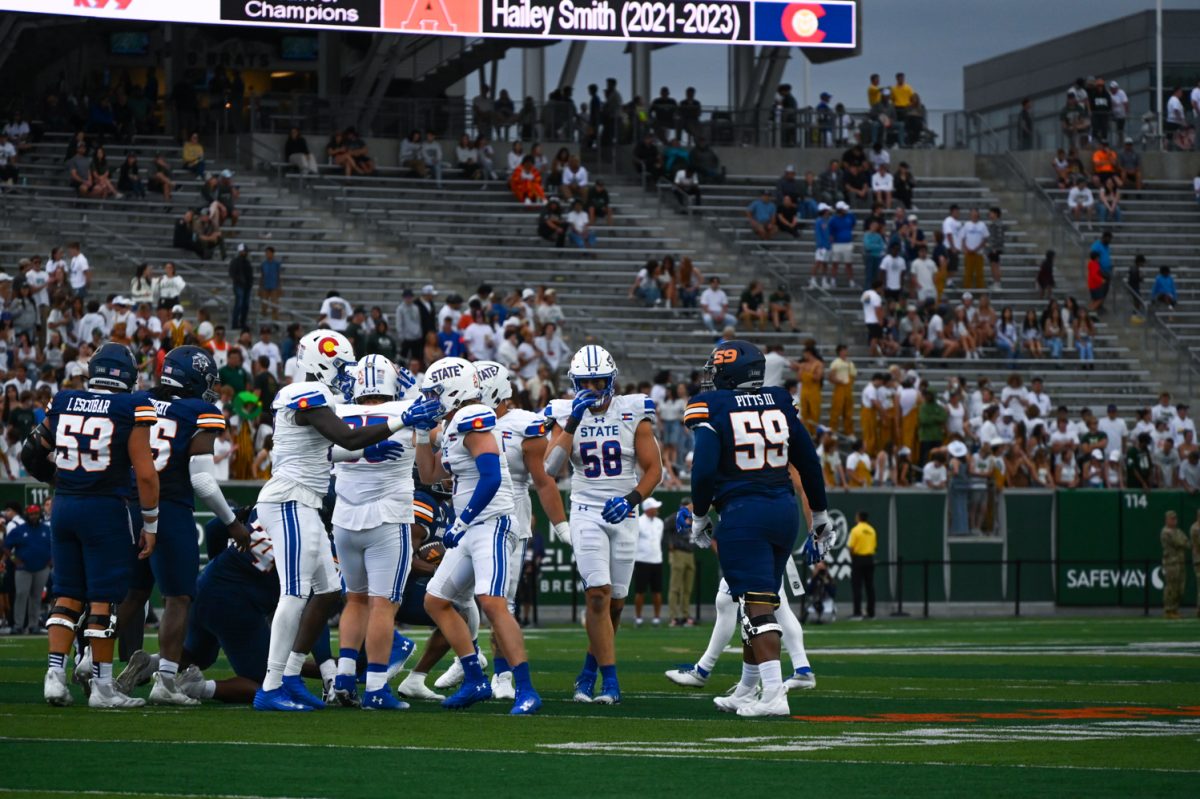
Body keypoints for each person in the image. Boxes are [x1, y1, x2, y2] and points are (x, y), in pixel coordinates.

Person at [252, 330, 433, 712]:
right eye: (341, 367)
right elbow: (347, 440)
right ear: (322, 363)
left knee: (331, 591)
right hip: (290, 500)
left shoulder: (323, 400)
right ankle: (270, 686)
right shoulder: (311, 396)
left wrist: (373, 440)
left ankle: (291, 675)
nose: (347, 376)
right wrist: (400, 419)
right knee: (295, 593)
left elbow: (332, 449)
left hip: (311, 504)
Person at [676, 340, 830, 717]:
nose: (712, 377)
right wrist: (821, 514)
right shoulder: (778, 398)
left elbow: (705, 468)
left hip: (744, 513)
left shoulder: (712, 405)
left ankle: (774, 695)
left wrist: (699, 514)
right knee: (755, 600)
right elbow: (808, 459)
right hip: (783, 510)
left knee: (758, 605)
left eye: (718, 369)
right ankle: (748, 687)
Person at [111, 345, 250, 705]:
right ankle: (166, 681)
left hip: (128, 506)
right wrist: (233, 523)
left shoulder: (139, 400)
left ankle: (91, 666)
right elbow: (202, 480)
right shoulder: (199, 411)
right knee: (178, 597)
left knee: (132, 594)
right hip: (169, 506)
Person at [414, 357, 541, 714]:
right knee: (435, 600)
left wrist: (461, 521)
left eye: (436, 393)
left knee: (492, 603)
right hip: (471, 528)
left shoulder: (476, 418)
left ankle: (526, 689)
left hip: (493, 523)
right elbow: (428, 474)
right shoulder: (455, 423)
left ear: (454, 390)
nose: (432, 399)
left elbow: (492, 477)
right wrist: (423, 434)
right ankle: (474, 678)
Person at [41, 343, 161, 709]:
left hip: (64, 505)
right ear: (125, 375)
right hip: (103, 508)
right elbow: (145, 474)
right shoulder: (131, 406)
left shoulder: (63, 400)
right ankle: (104, 686)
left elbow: (37, 447)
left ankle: (54, 675)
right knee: (102, 599)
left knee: (67, 593)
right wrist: (151, 524)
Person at [544, 345, 662, 705]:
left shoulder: (632, 410)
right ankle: (611, 682)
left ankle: (589, 670)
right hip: (585, 510)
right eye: (586, 382)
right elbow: (550, 469)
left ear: (611, 381)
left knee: (616, 605)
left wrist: (630, 500)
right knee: (597, 595)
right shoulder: (565, 412)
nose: (593, 388)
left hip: (623, 511)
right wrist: (571, 424)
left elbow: (654, 469)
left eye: (599, 381)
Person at [323, 355, 420, 710]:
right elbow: (437, 407)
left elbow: (325, 452)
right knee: (383, 604)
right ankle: (377, 687)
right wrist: (413, 385)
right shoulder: (410, 409)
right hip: (388, 518)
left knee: (355, 600)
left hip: (344, 520)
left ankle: (345, 678)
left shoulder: (337, 412)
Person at [470, 361, 566, 698]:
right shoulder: (464, 420)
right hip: (469, 518)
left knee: (502, 601)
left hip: (511, 519)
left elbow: (543, 481)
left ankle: (502, 674)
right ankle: (469, 658)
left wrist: (561, 526)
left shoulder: (524, 425)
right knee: (450, 596)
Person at [5, 503, 52, 635]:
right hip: (23, 569)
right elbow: (6, 547)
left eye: (36, 513)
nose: (34, 516)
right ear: (27, 515)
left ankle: (33, 625)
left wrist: (51, 561)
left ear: (39, 514)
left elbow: (55, 544)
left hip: (42, 568)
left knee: (36, 597)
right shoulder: (20, 530)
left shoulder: (46, 529)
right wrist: (14, 559)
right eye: (31, 514)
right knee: (21, 595)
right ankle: (18, 625)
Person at [632, 497, 665, 627]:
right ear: (648, 509)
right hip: (641, 561)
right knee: (640, 591)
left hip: (657, 561)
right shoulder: (638, 522)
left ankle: (656, 618)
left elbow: (659, 539)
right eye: (654, 507)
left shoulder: (660, 522)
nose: (657, 509)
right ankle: (638, 618)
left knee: (657, 591)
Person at [665, 497, 697, 627]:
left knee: (687, 588)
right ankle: (673, 616)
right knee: (675, 587)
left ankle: (685, 615)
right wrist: (670, 544)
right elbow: (665, 531)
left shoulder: (694, 519)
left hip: (690, 553)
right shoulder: (674, 518)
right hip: (678, 552)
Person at [847, 510, 876, 620]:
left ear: (859, 517)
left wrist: (853, 557)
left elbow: (850, 547)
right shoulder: (872, 530)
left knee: (857, 587)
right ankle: (871, 612)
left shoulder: (856, 530)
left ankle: (857, 612)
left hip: (858, 559)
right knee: (870, 587)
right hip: (869, 559)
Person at [1161, 511, 1189, 620]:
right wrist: (1182, 542)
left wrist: (1183, 542)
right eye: (1172, 518)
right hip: (1171, 563)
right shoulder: (1165, 532)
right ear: (1167, 520)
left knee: (1180, 587)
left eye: (1175, 518)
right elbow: (1179, 542)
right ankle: (1169, 609)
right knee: (1171, 587)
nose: (1174, 520)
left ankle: (1175, 609)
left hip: (1180, 562)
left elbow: (1187, 542)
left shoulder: (1177, 531)